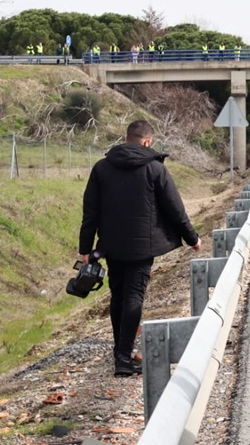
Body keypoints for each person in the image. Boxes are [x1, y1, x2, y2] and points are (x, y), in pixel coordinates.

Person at [77, 120, 201, 377]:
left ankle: (119, 352)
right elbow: (175, 210)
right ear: (147, 142)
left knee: (118, 295)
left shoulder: (101, 168)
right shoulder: (155, 169)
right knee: (133, 296)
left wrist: (85, 248)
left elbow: (90, 212)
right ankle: (123, 359)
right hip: (142, 247)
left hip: (110, 245)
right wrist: (192, 239)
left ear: (126, 138)